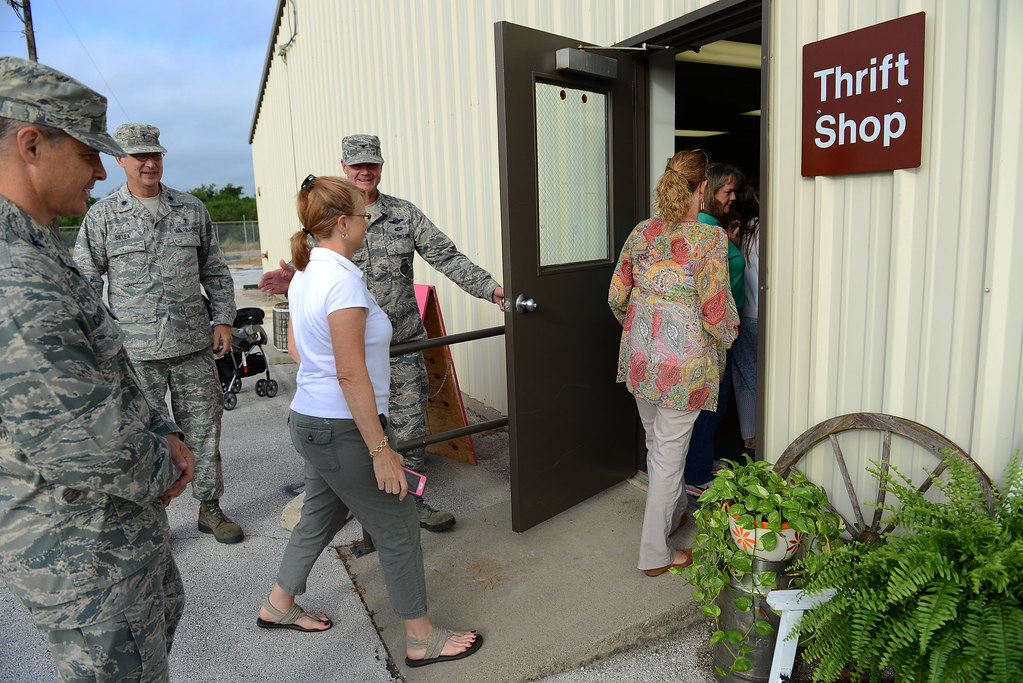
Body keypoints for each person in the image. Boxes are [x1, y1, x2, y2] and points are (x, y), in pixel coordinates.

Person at [0, 56, 194, 681]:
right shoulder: (13, 277)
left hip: (114, 535)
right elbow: (81, 441)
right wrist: (168, 462)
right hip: (84, 555)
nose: (101, 170)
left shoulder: (36, 248)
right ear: (32, 144)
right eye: (88, 153)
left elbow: (106, 365)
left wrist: (164, 428)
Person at [257, 174, 484, 668]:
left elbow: (298, 351)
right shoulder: (339, 281)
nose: (368, 222)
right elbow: (351, 372)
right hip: (341, 429)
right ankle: (421, 639)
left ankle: (277, 604)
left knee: (321, 512)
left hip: (312, 422)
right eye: (362, 215)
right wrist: (381, 450)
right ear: (343, 223)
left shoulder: (308, 273)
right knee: (399, 524)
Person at [259, 134, 504, 532]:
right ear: (343, 166)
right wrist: (291, 280)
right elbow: (308, 271)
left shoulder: (404, 215)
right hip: (349, 352)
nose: (364, 171)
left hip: (402, 342)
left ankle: (410, 503)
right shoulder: (323, 219)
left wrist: (491, 289)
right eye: (357, 164)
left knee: (409, 427)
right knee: (352, 430)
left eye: (371, 163)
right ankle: (363, 502)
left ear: (381, 165)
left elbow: (447, 256)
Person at [74, 123, 243, 543]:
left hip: (192, 346)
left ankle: (209, 507)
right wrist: (95, 341)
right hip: (134, 353)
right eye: (139, 156)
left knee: (205, 431)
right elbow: (85, 281)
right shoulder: (103, 215)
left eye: (156, 155)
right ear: (120, 160)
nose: (150, 163)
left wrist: (223, 319)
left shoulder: (190, 209)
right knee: (143, 439)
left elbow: (215, 271)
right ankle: (154, 515)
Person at [608, 150, 739, 577]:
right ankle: (654, 554)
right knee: (667, 454)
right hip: (683, 367)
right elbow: (716, 310)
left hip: (642, 359)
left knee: (657, 444)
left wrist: (641, 326)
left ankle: (676, 510)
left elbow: (615, 296)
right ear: (703, 187)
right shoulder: (709, 239)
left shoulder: (642, 232)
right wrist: (730, 338)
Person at [685, 162, 746, 500]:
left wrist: (732, 242)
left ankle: (702, 463)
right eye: (728, 191)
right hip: (716, 334)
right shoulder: (707, 231)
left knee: (714, 404)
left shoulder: (713, 228)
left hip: (719, 332)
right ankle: (695, 475)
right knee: (711, 405)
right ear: (709, 193)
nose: (733, 197)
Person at [732, 183, 760, 454]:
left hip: (746, 315)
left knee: (746, 379)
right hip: (768, 317)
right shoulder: (772, 229)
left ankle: (749, 438)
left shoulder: (746, 231)